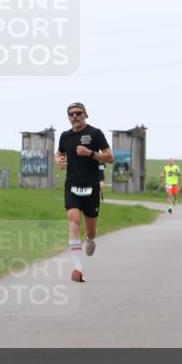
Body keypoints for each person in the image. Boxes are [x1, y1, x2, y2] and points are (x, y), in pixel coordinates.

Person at [56, 103, 112, 283]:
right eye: (71, 114)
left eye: (78, 113)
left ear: (85, 115)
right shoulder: (65, 136)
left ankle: (90, 239)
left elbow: (110, 157)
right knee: (74, 220)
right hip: (72, 185)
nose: (75, 116)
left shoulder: (95, 133)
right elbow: (59, 153)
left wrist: (90, 153)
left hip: (91, 187)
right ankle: (78, 268)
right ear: (68, 117)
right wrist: (59, 160)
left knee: (90, 230)